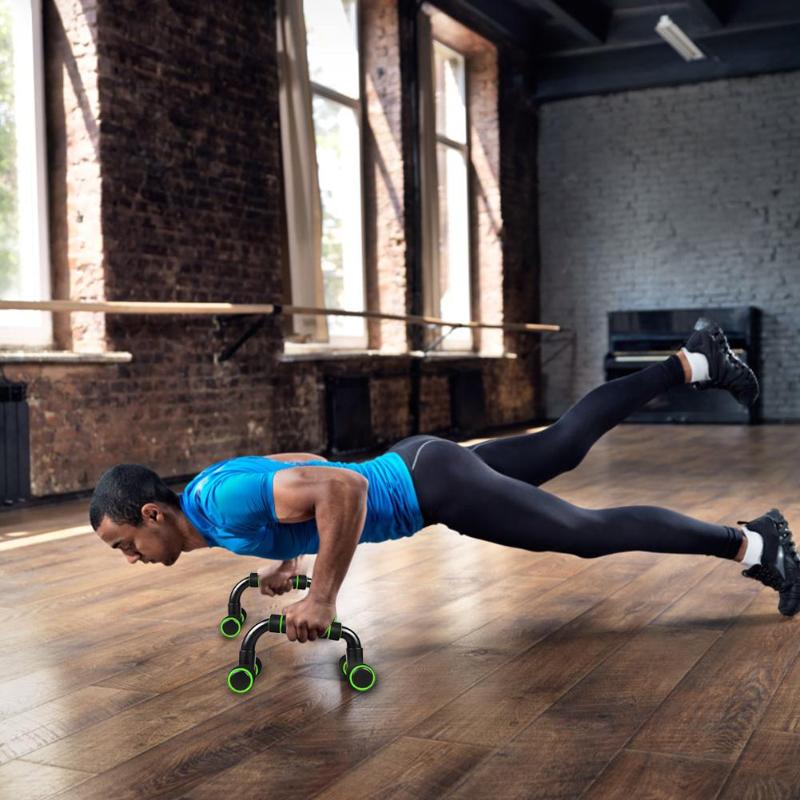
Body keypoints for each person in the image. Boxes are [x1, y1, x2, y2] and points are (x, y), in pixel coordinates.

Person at [90, 318, 800, 646]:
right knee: (564, 444)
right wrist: (292, 556)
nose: (128, 560)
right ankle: (695, 361)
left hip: (432, 486)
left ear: (153, 514)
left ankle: (754, 544)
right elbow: (296, 467)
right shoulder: (214, 506)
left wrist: (325, 594)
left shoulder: (217, 501)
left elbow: (342, 491)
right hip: (426, 466)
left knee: (582, 534)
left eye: (124, 544)